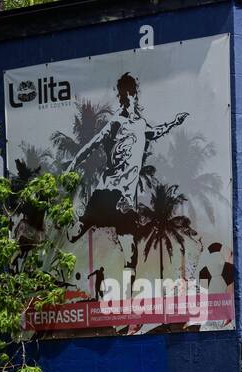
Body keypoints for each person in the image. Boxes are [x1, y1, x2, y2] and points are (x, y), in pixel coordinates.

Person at [67, 71, 187, 275]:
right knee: (74, 235)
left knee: (131, 255)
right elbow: (92, 144)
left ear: (133, 94)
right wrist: (73, 164)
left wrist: (174, 123)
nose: (125, 97)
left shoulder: (141, 124)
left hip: (125, 200)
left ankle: (127, 301)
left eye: (127, 93)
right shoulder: (116, 122)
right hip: (107, 193)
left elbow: (154, 132)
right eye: (122, 94)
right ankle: (68, 218)